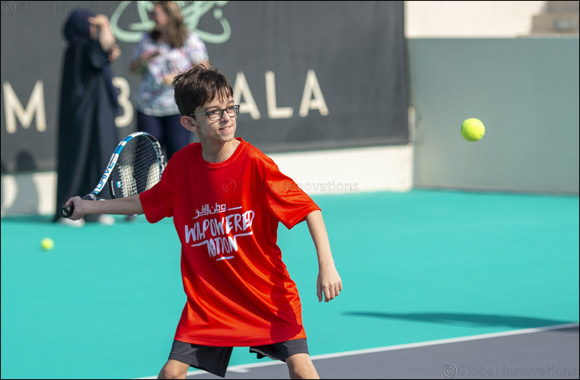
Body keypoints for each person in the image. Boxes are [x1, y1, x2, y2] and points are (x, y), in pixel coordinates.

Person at [63, 65, 343, 379]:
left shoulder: (255, 164)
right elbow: (146, 202)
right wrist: (88, 207)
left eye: (229, 108)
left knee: (302, 370)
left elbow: (309, 209)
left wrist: (327, 265)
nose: (226, 117)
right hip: (210, 302)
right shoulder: (183, 166)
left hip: (266, 295)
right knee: (171, 373)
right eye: (213, 112)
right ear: (189, 122)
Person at [54, 8, 121, 226]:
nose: (96, 30)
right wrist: (106, 27)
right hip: (81, 116)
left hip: (98, 113)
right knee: (78, 160)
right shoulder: (79, 49)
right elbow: (105, 47)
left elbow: (106, 50)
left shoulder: (88, 49)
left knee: (101, 158)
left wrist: (107, 45)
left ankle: (96, 209)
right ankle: (71, 210)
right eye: (92, 25)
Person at [129, 1, 210, 161]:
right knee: (143, 162)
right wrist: (143, 62)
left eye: (156, 14)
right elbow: (134, 68)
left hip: (177, 110)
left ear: (170, 15)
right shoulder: (147, 39)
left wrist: (177, 77)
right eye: (151, 14)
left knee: (178, 160)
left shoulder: (189, 39)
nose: (152, 18)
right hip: (148, 108)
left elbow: (203, 69)